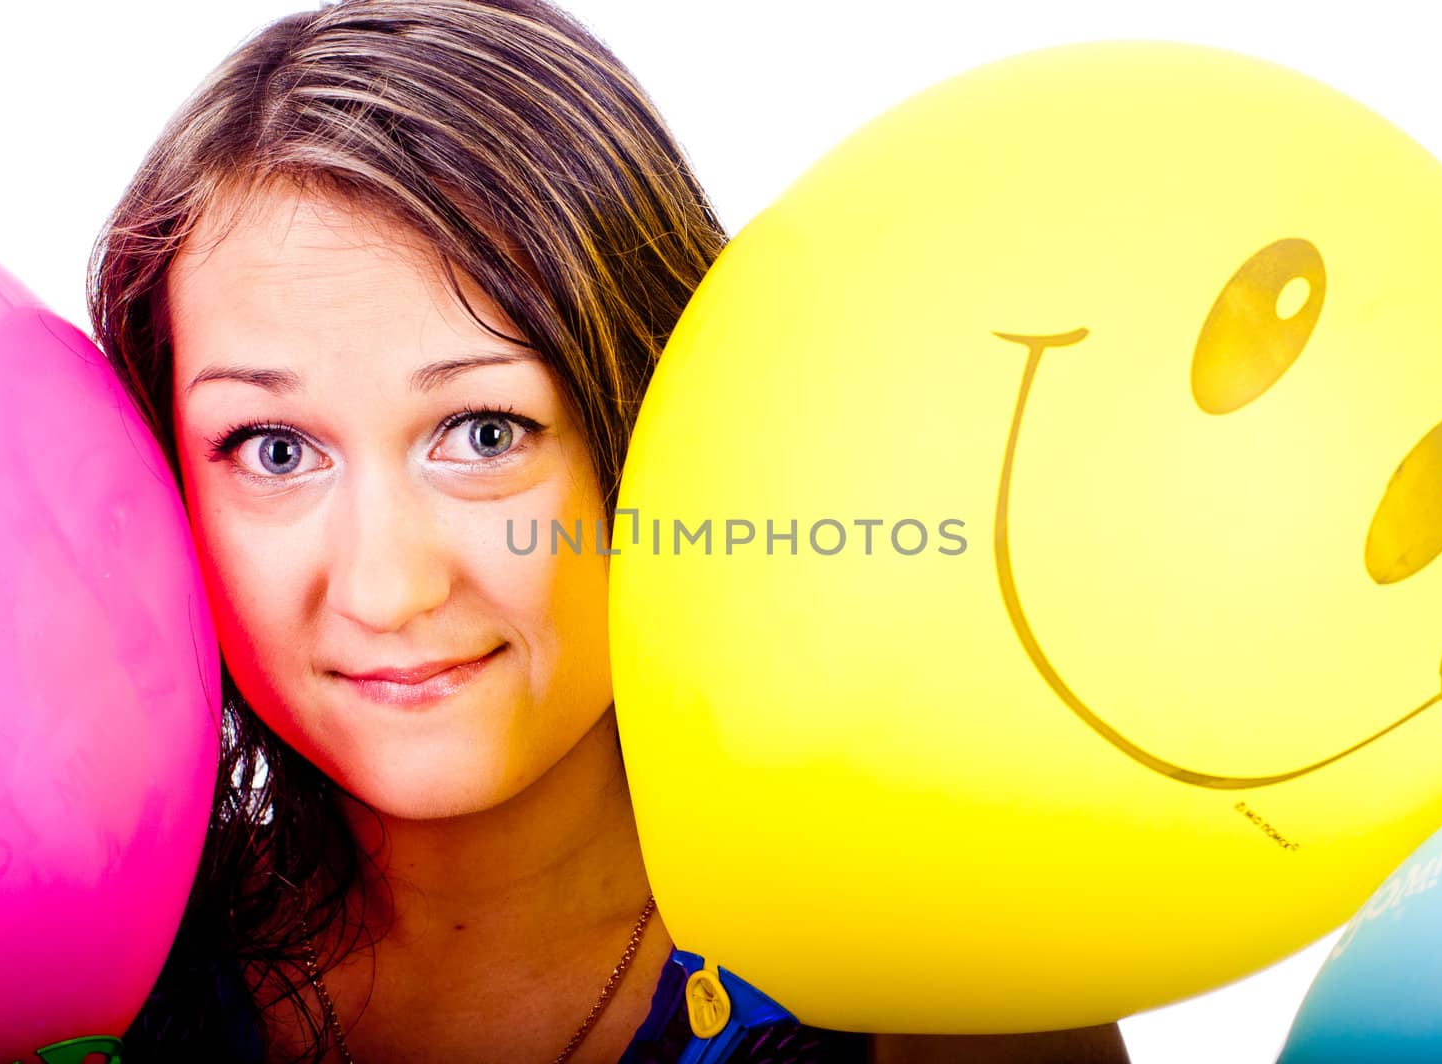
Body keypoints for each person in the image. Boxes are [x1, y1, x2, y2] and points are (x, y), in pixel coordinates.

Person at [88, 1, 1132, 1060]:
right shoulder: (72, 963)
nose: (384, 585)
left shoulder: (937, 976)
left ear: (654, 424)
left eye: (483, 432)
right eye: (274, 448)